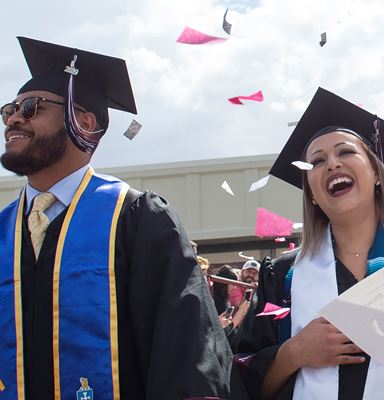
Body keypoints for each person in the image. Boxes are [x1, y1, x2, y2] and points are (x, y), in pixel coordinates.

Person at [0, 37, 243, 400]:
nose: (15, 117)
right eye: (9, 109)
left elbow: (184, 352)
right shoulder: (3, 231)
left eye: (32, 107)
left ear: (83, 121)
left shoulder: (136, 219)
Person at [232, 87, 384, 400]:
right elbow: (242, 382)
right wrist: (293, 353)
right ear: (311, 190)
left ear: (377, 172)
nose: (332, 164)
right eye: (317, 161)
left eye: (345, 152)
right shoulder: (282, 276)